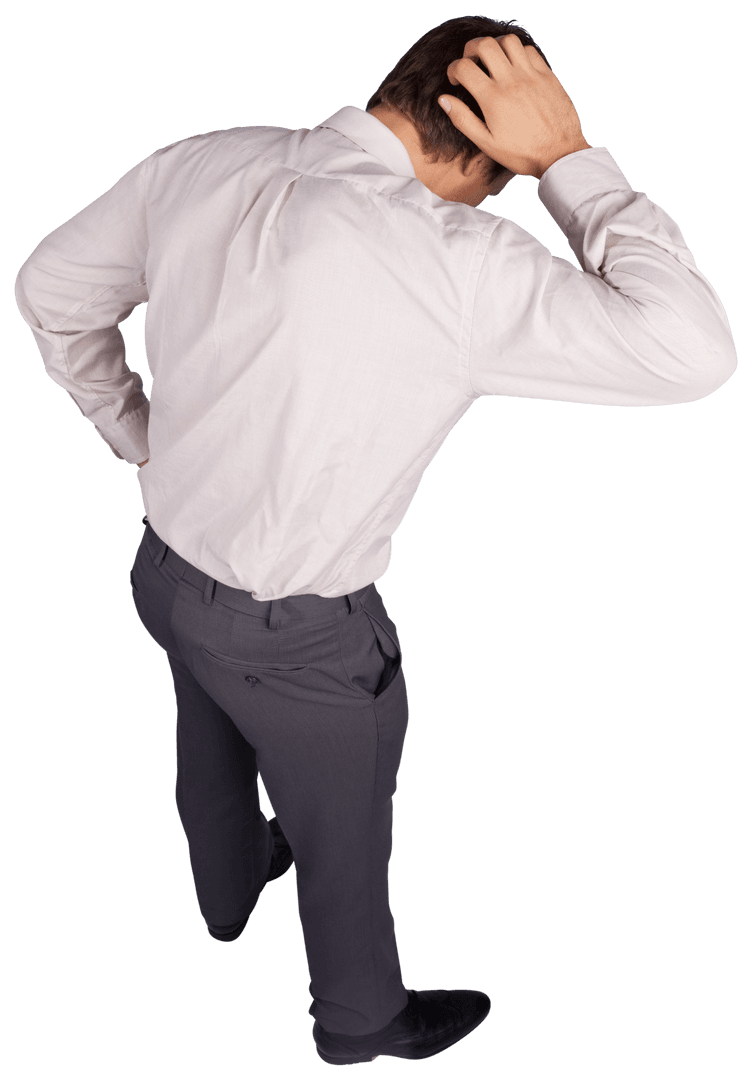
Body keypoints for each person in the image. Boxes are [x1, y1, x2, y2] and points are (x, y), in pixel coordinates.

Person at [13, 15, 736, 1069]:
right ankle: (361, 1022)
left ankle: (221, 900)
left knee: (206, 743)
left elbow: (47, 290)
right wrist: (573, 166)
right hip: (302, 640)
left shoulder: (200, 161)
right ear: (492, 155)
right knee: (341, 839)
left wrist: (137, 436)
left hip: (163, 573)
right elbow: (692, 354)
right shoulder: (457, 260)